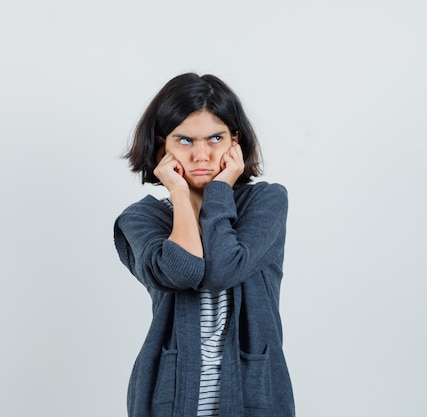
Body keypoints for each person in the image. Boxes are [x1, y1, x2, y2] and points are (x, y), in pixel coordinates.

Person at [113, 72, 295, 417]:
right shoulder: (139, 220)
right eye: (184, 140)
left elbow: (222, 269)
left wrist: (219, 190)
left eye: (215, 138)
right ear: (160, 145)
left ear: (235, 142)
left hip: (253, 392)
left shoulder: (267, 202)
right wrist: (180, 195)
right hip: (168, 395)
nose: (201, 155)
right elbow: (185, 271)